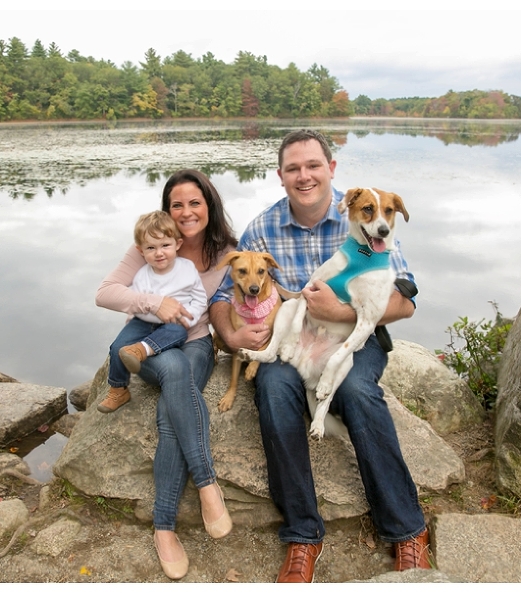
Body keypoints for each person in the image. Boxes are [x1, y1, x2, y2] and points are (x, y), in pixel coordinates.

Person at [209, 130, 430, 582]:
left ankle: (406, 529)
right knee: (272, 389)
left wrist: (343, 310)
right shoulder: (263, 228)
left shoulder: (366, 217)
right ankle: (303, 535)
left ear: (331, 169)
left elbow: (405, 300)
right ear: (281, 176)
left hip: (354, 338)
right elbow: (220, 293)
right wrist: (232, 335)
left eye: (313, 165)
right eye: (293, 168)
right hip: (295, 341)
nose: (303, 175)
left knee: (357, 392)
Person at [96, 169, 238, 580]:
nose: (187, 212)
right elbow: (105, 292)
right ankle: (205, 486)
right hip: (149, 344)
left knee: (173, 405)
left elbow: (225, 302)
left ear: (209, 205)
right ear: (167, 211)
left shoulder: (225, 250)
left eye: (195, 202)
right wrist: (154, 301)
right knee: (174, 371)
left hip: (195, 340)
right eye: (177, 204)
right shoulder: (148, 245)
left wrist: (233, 336)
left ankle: (165, 527)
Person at [97, 210, 207, 413]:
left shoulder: (186, 269)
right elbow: (137, 303)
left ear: (178, 244)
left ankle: (141, 350)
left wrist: (189, 317)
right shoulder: (142, 275)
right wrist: (148, 312)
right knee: (118, 346)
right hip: (143, 322)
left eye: (165, 245)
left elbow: (200, 298)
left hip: (173, 322)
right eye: (151, 248)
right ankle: (118, 389)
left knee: (178, 332)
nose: (159, 253)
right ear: (141, 251)